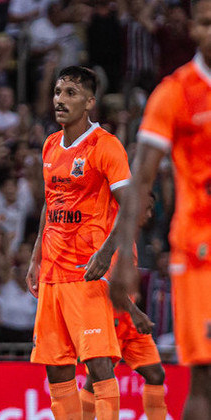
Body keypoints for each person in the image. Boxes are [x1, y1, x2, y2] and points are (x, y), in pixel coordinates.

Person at [109, 0, 211, 417]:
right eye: (206, 22)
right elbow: (142, 179)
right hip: (200, 252)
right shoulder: (175, 92)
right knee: (204, 380)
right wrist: (122, 257)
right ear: (193, 29)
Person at [25, 66, 131, 420]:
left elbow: (131, 204)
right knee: (56, 368)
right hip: (53, 272)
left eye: (70, 93)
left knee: (98, 364)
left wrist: (107, 252)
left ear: (89, 102)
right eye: (57, 92)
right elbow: (50, 202)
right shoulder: (51, 144)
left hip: (87, 270)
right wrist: (35, 258)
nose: (60, 100)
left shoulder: (106, 146)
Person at [81, 193, 166, 420]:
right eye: (145, 209)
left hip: (128, 321)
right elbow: (106, 279)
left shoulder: (131, 237)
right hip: (108, 317)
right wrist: (135, 311)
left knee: (156, 375)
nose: (148, 215)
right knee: (97, 381)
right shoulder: (110, 234)